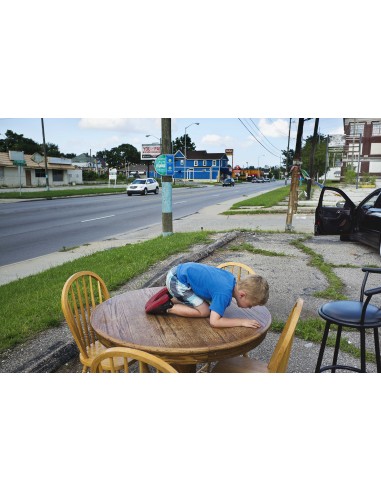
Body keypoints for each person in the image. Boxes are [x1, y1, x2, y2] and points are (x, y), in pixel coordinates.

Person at [146, 262, 269, 329]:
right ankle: (166, 306)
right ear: (242, 295)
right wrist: (241, 322)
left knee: (205, 305)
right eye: (251, 305)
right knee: (204, 311)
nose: (250, 308)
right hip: (178, 281)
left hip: (178, 273)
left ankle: (173, 295)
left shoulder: (231, 279)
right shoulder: (224, 293)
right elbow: (214, 322)